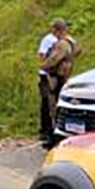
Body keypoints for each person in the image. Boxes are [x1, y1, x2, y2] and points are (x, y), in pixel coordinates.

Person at [41, 19, 78, 147]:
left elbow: (54, 58)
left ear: (57, 30)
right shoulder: (72, 41)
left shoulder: (61, 44)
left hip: (57, 77)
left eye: (53, 29)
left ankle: (54, 139)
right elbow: (78, 52)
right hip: (67, 74)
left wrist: (44, 66)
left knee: (54, 107)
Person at [37, 23, 60, 143]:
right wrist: (47, 74)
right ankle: (44, 130)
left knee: (53, 101)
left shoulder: (59, 40)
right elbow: (41, 56)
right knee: (46, 102)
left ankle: (52, 129)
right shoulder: (48, 39)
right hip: (46, 75)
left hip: (54, 75)